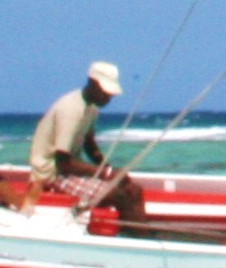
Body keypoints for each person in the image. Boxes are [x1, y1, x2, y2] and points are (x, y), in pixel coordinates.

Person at [28, 60, 146, 223]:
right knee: (121, 196)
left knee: (134, 190)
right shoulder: (71, 110)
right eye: (105, 92)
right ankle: (132, 233)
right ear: (92, 83)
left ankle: (136, 230)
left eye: (110, 94)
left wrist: (109, 169)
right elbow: (63, 163)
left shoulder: (91, 108)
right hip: (52, 175)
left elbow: (90, 145)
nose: (108, 98)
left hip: (68, 171)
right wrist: (107, 174)